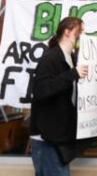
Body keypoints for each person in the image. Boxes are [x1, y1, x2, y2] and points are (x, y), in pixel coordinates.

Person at [29, 16, 89, 176]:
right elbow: (41, 91)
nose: (82, 36)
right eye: (80, 32)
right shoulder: (50, 58)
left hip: (59, 135)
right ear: (67, 32)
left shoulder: (72, 59)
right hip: (47, 138)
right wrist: (72, 75)